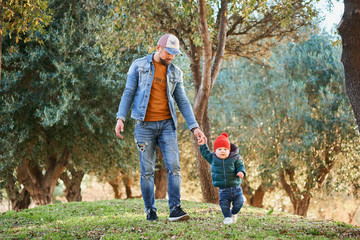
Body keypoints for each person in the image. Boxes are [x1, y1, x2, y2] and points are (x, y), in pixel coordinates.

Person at [115, 33, 206, 222]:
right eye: (168, 52)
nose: (171, 57)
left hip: (167, 125)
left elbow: (182, 101)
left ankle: (175, 209)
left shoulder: (175, 72)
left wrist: (195, 127)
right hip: (144, 126)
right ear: (158, 48)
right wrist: (121, 117)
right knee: (147, 172)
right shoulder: (138, 66)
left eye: (174, 54)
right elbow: (129, 91)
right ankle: (150, 211)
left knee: (174, 167)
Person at [198, 132, 246, 224]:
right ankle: (227, 217)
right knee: (224, 205)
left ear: (229, 150)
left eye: (225, 149)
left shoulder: (235, 157)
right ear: (215, 151)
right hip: (223, 190)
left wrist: (241, 172)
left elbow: (240, 166)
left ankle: (234, 213)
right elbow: (205, 153)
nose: (222, 151)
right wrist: (202, 145)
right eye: (219, 149)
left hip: (236, 188)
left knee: (239, 203)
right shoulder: (213, 158)